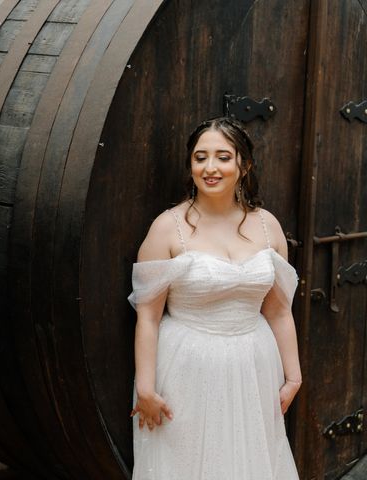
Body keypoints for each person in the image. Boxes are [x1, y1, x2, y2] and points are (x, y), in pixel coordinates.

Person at [128, 117, 301, 479]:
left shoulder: (268, 226)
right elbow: (148, 316)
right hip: (187, 366)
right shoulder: (168, 227)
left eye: (223, 157)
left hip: (254, 364)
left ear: (244, 164)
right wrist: (145, 387)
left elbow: (280, 310)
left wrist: (293, 376)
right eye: (199, 157)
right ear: (190, 165)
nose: (210, 168)